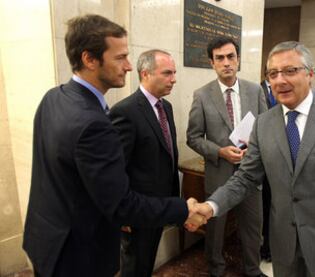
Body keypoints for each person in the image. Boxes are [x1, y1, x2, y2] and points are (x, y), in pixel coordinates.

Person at [23, 14, 202, 277]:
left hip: (45, 238)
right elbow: (120, 204)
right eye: (120, 57)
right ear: (89, 59)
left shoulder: (54, 97)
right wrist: (182, 208)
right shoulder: (94, 124)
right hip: (76, 255)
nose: (129, 66)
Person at [191, 41, 315, 277]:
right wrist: (211, 206)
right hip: (284, 243)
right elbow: (245, 178)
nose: (279, 80)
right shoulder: (264, 124)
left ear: (309, 74)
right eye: (273, 74)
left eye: (290, 71)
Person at [186, 37, 268, 277]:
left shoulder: (255, 90)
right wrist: (219, 151)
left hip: (251, 173)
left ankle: (253, 270)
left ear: (238, 59)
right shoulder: (202, 95)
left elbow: (266, 127)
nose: (226, 63)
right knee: (216, 228)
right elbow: (193, 137)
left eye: (231, 57)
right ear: (212, 63)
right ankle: (216, 269)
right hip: (219, 172)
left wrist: (255, 145)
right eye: (219, 58)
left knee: (253, 227)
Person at [109, 49, 180, 277]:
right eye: (167, 73)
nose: (173, 79)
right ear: (146, 73)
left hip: (160, 205)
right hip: (137, 210)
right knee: (135, 266)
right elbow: (116, 168)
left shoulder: (165, 106)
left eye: (174, 73)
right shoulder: (125, 111)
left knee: (147, 263)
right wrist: (122, 213)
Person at [259, 66, 275, 262]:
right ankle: (264, 244)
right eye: (274, 72)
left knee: (273, 205)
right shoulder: (257, 91)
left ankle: (270, 246)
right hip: (259, 160)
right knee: (263, 206)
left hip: (278, 161)